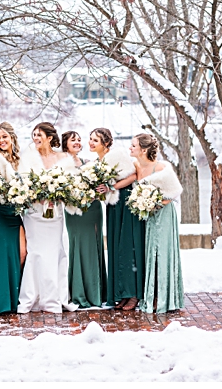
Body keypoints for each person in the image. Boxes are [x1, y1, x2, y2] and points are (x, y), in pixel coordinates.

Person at [18, 121, 71, 314]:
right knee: (36, 253)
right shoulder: (28, 158)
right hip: (34, 214)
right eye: (34, 135)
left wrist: (59, 193)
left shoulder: (63, 158)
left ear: (50, 137)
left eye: (40, 135)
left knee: (53, 253)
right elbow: (22, 183)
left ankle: (53, 298)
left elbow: (70, 185)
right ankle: (32, 296)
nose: (36, 139)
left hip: (55, 214)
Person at [132, 132, 184, 314]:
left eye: (133, 146)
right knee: (149, 254)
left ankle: (163, 297)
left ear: (143, 149)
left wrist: (153, 204)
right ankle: (151, 294)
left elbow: (174, 191)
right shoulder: (137, 166)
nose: (130, 148)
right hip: (147, 216)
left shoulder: (162, 167)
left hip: (163, 215)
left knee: (161, 253)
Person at [62, 129, 107, 311]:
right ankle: (79, 292)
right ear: (65, 143)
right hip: (74, 212)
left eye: (80, 140)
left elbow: (99, 184)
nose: (78, 142)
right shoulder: (60, 164)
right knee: (78, 245)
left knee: (94, 246)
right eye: (74, 140)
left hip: (93, 210)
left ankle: (96, 292)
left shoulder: (89, 163)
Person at [0, 121, 25, 315]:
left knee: (18, 254)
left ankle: (14, 300)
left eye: (4, 137)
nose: (1, 141)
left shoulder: (19, 158)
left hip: (15, 212)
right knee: (0, 254)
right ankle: (0, 303)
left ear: (12, 137)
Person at [106, 127, 146, 309]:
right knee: (117, 248)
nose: (130, 148)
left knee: (128, 248)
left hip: (128, 204)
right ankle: (121, 292)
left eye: (133, 145)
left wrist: (111, 187)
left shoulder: (128, 159)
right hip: (114, 206)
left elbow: (134, 176)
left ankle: (133, 293)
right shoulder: (99, 163)